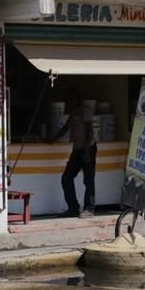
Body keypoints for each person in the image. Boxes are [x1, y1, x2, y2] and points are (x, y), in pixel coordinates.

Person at [49, 89, 96, 218]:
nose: (67, 102)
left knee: (88, 180)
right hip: (77, 149)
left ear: (76, 99)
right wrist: (53, 139)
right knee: (66, 178)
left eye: (69, 99)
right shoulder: (74, 112)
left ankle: (89, 208)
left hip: (88, 148)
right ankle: (73, 208)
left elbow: (90, 131)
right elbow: (66, 128)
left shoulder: (84, 111)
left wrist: (87, 151)